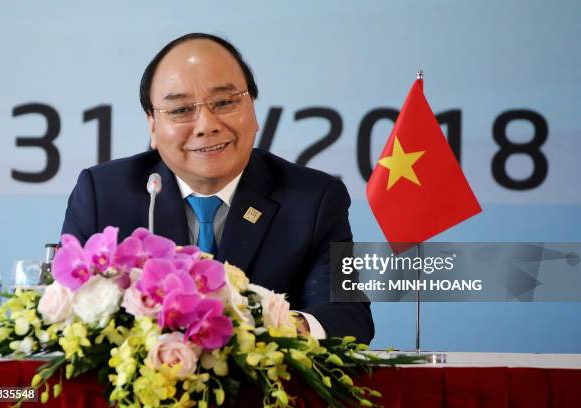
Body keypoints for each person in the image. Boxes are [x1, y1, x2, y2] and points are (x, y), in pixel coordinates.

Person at [62, 33, 374, 343]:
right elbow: (66, 313)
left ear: (253, 109)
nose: (206, 125)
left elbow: (349, 316)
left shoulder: (314, 199)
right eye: (181, 110)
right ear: (153, 126)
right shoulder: (102, 195)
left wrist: (277, 329)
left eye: (224, 102)